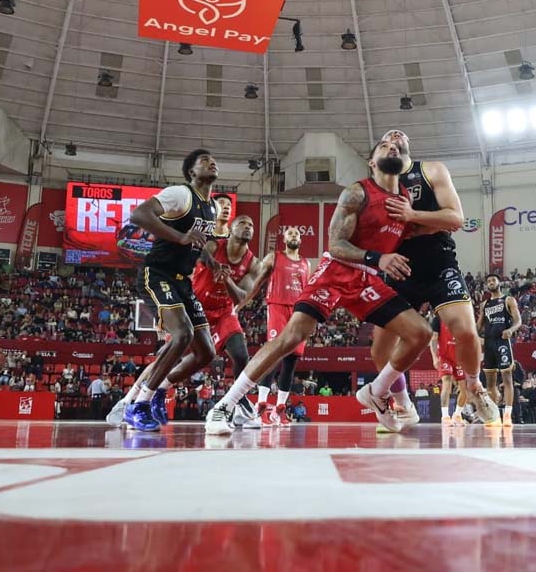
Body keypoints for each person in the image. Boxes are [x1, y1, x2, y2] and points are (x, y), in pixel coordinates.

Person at [204, 140, 433, 435]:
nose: (392, 147)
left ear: (406, 161)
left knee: (421, 333)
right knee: (291, 337)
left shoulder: (405, 200)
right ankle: (224, 406)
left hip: (367, 278)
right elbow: (335, 245)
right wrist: (379, 258)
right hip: (337, 271)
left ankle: (377, 392)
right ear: (371, 161)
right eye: (384, 145)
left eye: (397, 146)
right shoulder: (358, 192)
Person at [370, 129, 500, 427]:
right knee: (380, 349)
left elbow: (455, 218)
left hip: (439, 261)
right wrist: (417, 228)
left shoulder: (430, 171)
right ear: (373, 160)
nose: (394, 138)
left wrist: (412, 217)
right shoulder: (369, 190)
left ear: (406, 148)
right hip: (398, 267)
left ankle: (475, 386)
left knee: (466, 330)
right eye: (385, 141)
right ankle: (402, 403)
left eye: (398, 140)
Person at [119, 149, 221, 432]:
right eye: (204, 160)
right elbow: (138, 214)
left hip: (183, 280)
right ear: (191, 172)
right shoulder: (180, 194)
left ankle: (160, 389)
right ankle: (137, 404)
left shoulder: (211, 207)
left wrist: (210, 261)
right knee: (182, 335)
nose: (212, 162)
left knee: (206, 353)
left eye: (213, 160)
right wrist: (179, 236)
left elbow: (195, 243)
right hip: (158, 274)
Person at [164, 214, 260, 427]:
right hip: (196, 307)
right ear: (231, 229)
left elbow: (241, 297)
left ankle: (237, 401)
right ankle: (151, 391)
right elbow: (202, 254)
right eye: (242, 223)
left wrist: (226, 280)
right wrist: (216, 265)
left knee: (241, 355)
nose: (247, 227)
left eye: (251, 225)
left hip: (224, 311)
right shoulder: (215, 245)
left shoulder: (253, 263)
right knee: (174, 354)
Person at [240, 225, 310, 427]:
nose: (294, 235)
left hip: (298, 312)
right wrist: (242, 302)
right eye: (290, 233)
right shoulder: (274, 257)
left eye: (297, 233)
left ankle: (279, 410)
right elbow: (256, 280)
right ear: (284, 239)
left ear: (301, 239)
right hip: (278, 306)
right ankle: (260, 406)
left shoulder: (306, 263)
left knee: (291, 362)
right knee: (273, 357)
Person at [478, 274, 523, 426]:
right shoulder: (485, 304)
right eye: (488, 281)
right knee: (490, 383)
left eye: (493, 280)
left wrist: (511, 330)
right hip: (489, 343)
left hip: (502, 342)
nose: (491, 282)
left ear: (499, 283)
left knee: (507, 379)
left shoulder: (508, 300)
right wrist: (474, 336)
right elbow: (479, 325)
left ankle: (508, 415)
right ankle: (494, 416)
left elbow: (518, 321)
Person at [430, 313, 469, 425]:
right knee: (447, 382)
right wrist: (434, 357)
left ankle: (457, 415)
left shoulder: (462, 318)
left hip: (459, 358)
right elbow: (433, 339)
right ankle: (445, 416)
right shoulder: (438, 319)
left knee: (464, 390)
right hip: (444, 356)